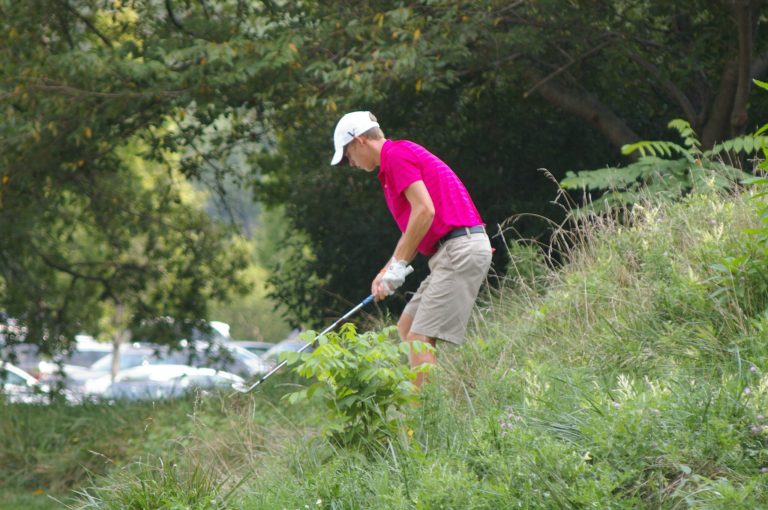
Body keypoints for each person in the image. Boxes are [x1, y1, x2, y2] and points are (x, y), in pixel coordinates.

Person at [330, 111, 492, 387]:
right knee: (407, 327)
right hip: (450, 251)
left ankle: (424, 421)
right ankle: (436, 398)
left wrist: (398, 267)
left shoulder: (394, 156)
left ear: (359, 141)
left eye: (348, 157)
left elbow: (424, 211)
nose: (351, 164)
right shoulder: (393, 162)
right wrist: (387, 270)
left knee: (419, 340)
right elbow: (414, 230)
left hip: (459, 249)